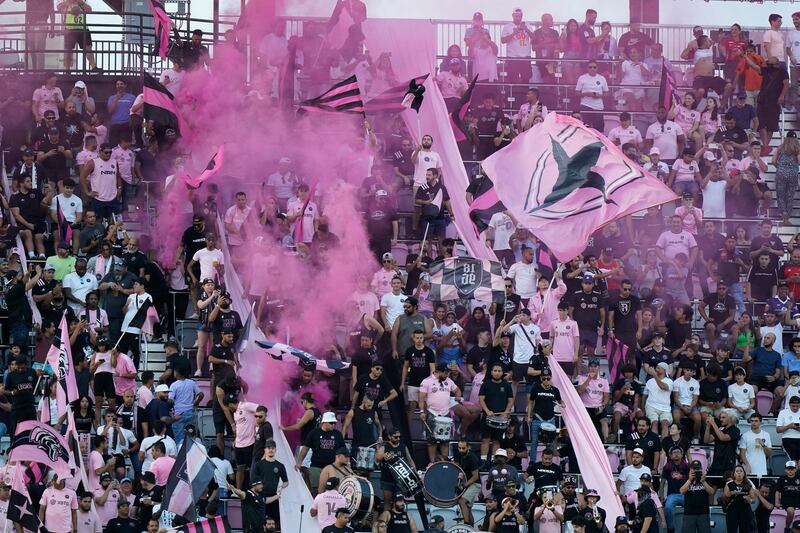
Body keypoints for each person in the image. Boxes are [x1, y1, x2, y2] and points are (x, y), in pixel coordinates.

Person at [679, 459, 715, 533]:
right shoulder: (685, 478)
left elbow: (711, 492)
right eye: (694, 468)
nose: (696, 470)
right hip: (689, 513)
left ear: (701, 469)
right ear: (690, 469)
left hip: (703, 513)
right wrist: (689, 480)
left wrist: (703, 481)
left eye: (698, 468)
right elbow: (681, 491)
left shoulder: (706, 479)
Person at [772, 131, 800, 225]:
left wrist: (780, 168)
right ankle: (787, 219)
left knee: (781, 196)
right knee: (789, 196)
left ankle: (783, 216)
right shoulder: (798, 148)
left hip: (781, 173)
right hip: (793, 174)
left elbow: (773, 161)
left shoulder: (781, 147)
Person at [575, 60, 609, 132]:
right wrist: (587, 94)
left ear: (597, 68)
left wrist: (599, 96)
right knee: (586, 129)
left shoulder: (602, 78)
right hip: (586, 106)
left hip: (598, 107)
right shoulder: (582, 78)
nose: (592, 69)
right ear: (587, 68)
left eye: (594, 67)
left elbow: (607, 93)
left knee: (598, 130)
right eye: (590, 67)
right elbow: (577, 93)